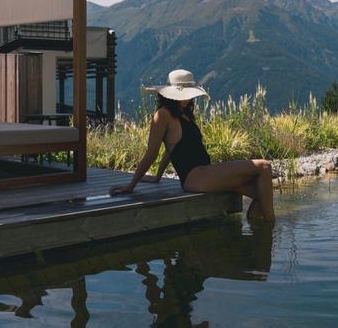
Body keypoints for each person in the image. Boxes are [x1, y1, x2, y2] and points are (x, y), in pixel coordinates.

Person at [109, 69, 275, 221]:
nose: (187, 99)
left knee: (261, 192)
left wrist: (158, 176)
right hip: (196, 177)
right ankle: (270, 226)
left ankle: (257, 227)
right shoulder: (163, 115)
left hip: (205, 172)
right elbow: (152, 153)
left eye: (188, 95)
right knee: (264, 166)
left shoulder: (185, 114)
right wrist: (131, 186)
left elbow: (171, 150)